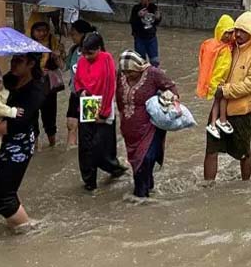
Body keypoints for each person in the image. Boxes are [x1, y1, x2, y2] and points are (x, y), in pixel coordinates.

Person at [0, 53, 46, 233]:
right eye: (13, 59)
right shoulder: (7, 80)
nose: (13, 63)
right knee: (2, 192)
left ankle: (31, 234)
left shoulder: (37, 88)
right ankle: (22, 228)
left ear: (31, 64)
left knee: (4, 199)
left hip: (18, 145)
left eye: (19, 61)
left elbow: (15, 124)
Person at [204, 11, 251, 182]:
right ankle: (208, 187)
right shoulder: (228, 47)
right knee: (211, 150)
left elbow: (250, 84)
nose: (237, 34)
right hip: (219, 109)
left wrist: (224, 91)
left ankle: (245, 186)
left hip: (242, 112)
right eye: (236, 30)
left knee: (244, 152)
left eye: (242, 31)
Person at [116, 50, 179, 199]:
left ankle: (140, 197)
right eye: (125, 72)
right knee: (135, 162)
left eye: (131, 72)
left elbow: (171, 88)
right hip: (129, 128)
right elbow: (119, 99)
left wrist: (168, 101)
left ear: (139, 67)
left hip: (149, 127)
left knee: (145, 160)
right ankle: (147, 188)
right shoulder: (121, 76)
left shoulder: (153, 73)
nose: (127, 75)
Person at [74, 32, 127, 191]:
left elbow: (110, 85)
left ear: (99, 49)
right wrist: (81, 91)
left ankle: (114, 167)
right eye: (84, 52)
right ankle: (89, 182)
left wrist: (104, 112)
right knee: (85, 146)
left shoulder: (106, 59)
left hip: (104, 105)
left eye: (90, 53)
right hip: (87, 104)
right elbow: (77, 81)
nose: (87, 56)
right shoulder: (82, 60)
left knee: (100, 146)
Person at [196, 14, 235, 139]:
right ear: (220, 31)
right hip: (216, 82)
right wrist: (213, 83)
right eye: (226, 32)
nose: (228, 36)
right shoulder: (215, 47)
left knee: (218, 101)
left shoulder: (228, 46)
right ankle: (219, 121)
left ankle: (216, 123)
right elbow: (208, 66)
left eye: (231, 32)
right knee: (220, 100)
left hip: (222, 81)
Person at [29, 21, 65, 148]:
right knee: (32, 117)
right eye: (38, 31)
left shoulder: (55, 44)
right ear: (33, 32)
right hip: (32, 87)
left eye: (44, 30)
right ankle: (35, 145)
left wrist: (56, 56)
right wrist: (36, 70)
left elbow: (63, 67)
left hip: (48, 88)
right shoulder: (28, 46)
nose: (42, 33)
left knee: (49, 116)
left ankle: (52, 144)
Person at [65, 19, 97, 148]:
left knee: (90, 128)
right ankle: (70, 151)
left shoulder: (93, 52)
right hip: (75, 93)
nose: (71, 37)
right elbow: (64, 67)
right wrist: (57, 56)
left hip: (90, 96)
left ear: (83, 34)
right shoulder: (73, 50)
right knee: (71, 124)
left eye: (74, 34)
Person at [130, 0, 161, 67]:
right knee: (141, 62)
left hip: (152, 38)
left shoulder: (153, 7)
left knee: (155, 61)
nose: (147, 0)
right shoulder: (136, 8)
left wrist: (158, 17)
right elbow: (132, 23)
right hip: (140, 38)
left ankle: (153, 77)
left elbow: (156, 23)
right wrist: (138, 16)